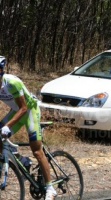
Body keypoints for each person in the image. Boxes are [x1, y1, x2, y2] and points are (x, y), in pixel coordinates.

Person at [0, 56, 57, 199]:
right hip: (16, 111)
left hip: (30, 110)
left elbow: (24, 108)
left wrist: (8, 126)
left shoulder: (12, 83)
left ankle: (50, 187)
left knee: (37, 151)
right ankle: (23, 161)